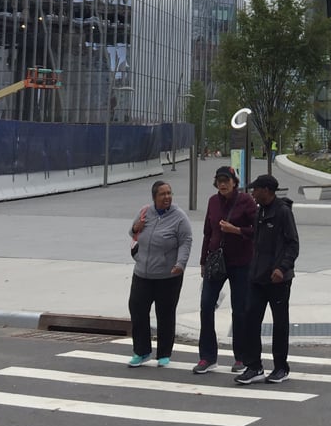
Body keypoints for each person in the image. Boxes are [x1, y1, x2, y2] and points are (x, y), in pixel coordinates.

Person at [235, 174, 299, 385]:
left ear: (267, 190)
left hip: (278, 279)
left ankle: (281, 367)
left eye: (256, 190)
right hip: (257, 277)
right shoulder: (260, 212)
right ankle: (254, 367)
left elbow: (293, 244)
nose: (252, 193)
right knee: (250, 320)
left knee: (280, 324)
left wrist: (282, 268)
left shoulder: (283, 212)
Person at [193, 165, 256, 375]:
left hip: (241, 262)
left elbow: (256, 229)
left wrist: (236, 230)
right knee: (206, 305)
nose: (222, 184)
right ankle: (207, 357)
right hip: (216, 261)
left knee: (239, 310)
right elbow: (207, 233)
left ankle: (241, 357)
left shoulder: (246, 201)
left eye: (226, 180)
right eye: (219, 180)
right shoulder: (213, 201)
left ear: (234, 182)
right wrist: (203, 261)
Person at [127, 179, 192, 367]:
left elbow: (186, 241)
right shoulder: (145, 212)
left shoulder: (179, 217)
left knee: (165, 314)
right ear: (154, 197)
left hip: (168, 276)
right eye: (163, 194)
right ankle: (141, 351)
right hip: (142, 273)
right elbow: (132, 233)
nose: (167, 197)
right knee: (137, 310)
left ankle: (164, 353)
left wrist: (181, 263)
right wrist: (135, 228)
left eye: (169, 193)